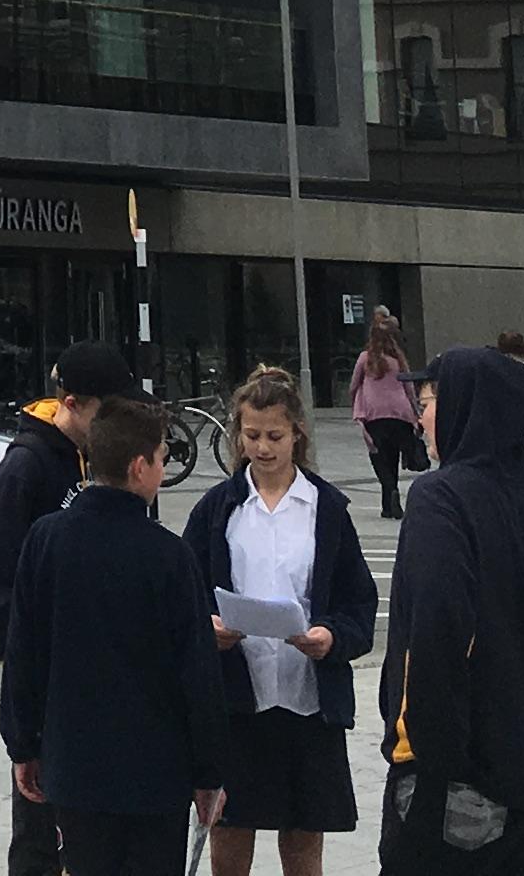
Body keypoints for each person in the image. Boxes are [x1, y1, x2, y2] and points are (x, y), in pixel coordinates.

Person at [376, 347, 524, 875]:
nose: (420, 418)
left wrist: (429, 760)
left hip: (456, 785)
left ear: (463, 411)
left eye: (426, 403)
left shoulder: (440, 500)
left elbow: (435, 629)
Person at [1, 397, 227, 876]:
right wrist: (209, 772)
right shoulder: (169, 556)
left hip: (75, 764)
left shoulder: (46, 540)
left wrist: (23, 744)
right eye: (163, 458)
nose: (164, 469)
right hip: (155, 773)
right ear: (139, 466)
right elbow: (197, 672)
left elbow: (24, 654)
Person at [184, 367, 375, 876]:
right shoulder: (217, 509)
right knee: (230, 833)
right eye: (251, 436)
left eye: (274, 436)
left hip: (306, 699)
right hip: (237, 700)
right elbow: (183, 596)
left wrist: (331, 636)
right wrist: (207, 628)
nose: (263, 448)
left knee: (303, 837)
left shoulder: (326, 509)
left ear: (297, 435)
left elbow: (360, 603)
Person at [0, 338, 138, 875]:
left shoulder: (96, 461)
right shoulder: (28, 469)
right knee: (42, 835)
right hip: (47, 686)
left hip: (100, 684)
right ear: (72, 403)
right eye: (106, 411)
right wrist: (28, 652)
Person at [348, 321, 421, 520]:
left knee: (378, 456)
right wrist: (415, 411)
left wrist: (355, 400)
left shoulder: (365, 359)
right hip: (400, 413)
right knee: (393, 457)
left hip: (374, 414)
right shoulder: (398, 359)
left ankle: (390, 492)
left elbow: (354, 385)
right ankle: (389, 503)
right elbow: (409, 387)